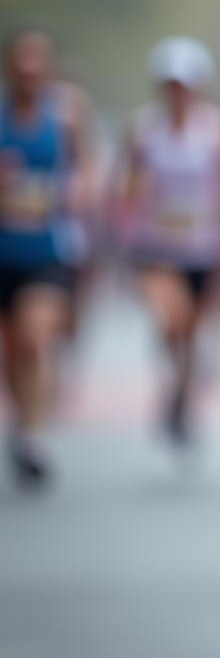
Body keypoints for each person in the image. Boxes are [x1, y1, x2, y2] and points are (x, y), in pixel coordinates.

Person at [118, 36, 220, 447]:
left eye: (184, 85)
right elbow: (128, 186)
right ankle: (180, 386)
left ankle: (182, 392)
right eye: (170, 85)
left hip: (205, 248)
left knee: (190, 329)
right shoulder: (142, 130)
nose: (177, 93)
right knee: (170, 318)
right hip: (157, 248)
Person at [0, 28, 95, 486]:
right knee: (12, 348)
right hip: (4, 252)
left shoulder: (66, 114)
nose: (29, 72)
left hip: (47, 249)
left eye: (37, 64)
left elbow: (86, 168)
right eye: (21, 65)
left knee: (35, 336)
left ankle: (34, 435)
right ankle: (21, 424)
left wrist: (79, 189)